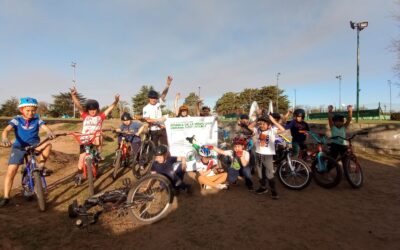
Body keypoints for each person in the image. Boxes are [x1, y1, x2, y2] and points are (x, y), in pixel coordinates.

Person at [0, 97, 55, 207]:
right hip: (19, 147)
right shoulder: (17, 119)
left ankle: (41, 167)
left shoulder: (37, 119)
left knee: (48, 145)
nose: (31, 113)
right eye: (28, 110)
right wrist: (5, 138)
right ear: (22, 110)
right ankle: (6, 197)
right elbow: (6, 130)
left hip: (35, 146)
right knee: (11, 171)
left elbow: (45, 128)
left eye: (33, 110)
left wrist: (49, 132)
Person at [71, 87, 119, 185]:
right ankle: (79, 175)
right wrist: (73, 96)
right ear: (87, 110)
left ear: (97, 109)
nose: (92, 111)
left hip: (95, 139)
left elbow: (110, 108)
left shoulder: (100, 117)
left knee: (98, 134)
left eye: (94, 109)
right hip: (85, 140)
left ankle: (98, 154)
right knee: (81, 159)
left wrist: (116, 101)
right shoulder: (85, 116)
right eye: (90, 110)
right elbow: (78, 105)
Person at [249, 114, 285, 199]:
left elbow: (283, 129)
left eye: (264, 124)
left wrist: (273, 121)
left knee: (269, 174)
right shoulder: (257, 130)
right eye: (261, 123)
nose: (262, 125)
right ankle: (263, 187)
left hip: (268, 156)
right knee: (260, 174)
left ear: (269, 125)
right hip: (259, 154)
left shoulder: (272, 130)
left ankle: (273, 191)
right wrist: (258, 118)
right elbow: (250, 127)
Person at [142, 76, 173, 146]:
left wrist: (167, 85)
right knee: (154, 148)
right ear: (149, 98)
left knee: (165, 146)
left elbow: (164, 94)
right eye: (152, 98)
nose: (154, 100)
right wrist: (159, 120)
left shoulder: (158, 103)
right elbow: (147, 120)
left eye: (155, 98)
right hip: (153, 130)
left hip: (162, 129)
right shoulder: (146, 108)